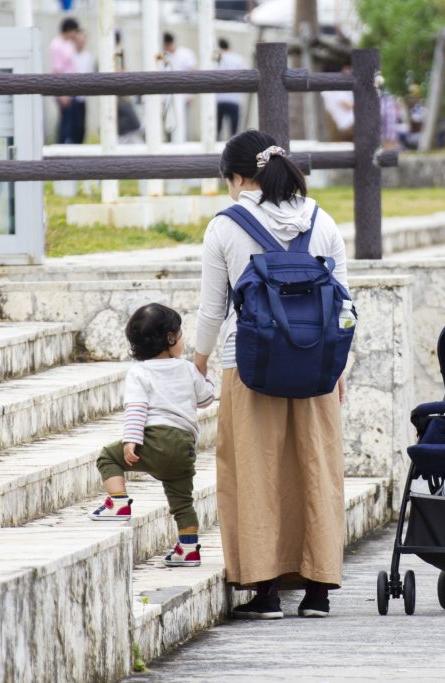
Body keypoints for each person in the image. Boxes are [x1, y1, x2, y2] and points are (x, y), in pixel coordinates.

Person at [194, 130, 349, 619]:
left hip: (249, 365)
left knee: (255, 472)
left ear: (238, 178)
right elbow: (345, 307)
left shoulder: (224, 226)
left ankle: (264, 591)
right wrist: (339, 368)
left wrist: (198, 362)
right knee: (315, 469)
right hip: (317, 366)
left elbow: (212, 310)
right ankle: (318, 588)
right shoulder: (322, 221)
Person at [88, 303, 215, 569]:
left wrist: (130, 440)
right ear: (170, 338)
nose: (181, 339)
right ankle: (189, 548)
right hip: (184, 447)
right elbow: (206, 399)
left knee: (107, 457)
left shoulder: (139, 372)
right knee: (182, 501)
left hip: (153, 440)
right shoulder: (187, 369)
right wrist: (204, 376)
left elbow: (137, 408)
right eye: (179, 334)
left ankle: (118, 502)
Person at [159, 32, 198, 143]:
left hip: (184, 97)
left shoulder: (185, 54)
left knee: (183, 124)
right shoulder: (163, 56)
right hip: (167, 98)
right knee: (169, 125)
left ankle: (184, 148)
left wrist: (191, 95)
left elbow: (193, 73)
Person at [50, 17, 80, 144]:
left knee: (70, 120)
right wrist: (62, 94)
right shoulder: (56, 45)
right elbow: (57, 69)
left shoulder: (68, 44)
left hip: (70, 85)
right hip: (62, 87)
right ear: (68, 30)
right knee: (65, 120)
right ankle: (62, 145)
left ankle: (68, 143)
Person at [214, 38, 247, 139]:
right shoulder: (238, 58)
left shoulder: (216, 59)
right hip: (234, 99)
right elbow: (245, 75)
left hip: (219, 99)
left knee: (217, 129)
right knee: (234, 131)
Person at [70, 29, 94, 145]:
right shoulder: (70, 55)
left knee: (81, 126)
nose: (81, 43)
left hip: (82, 96)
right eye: (79, 40)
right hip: (70, 96)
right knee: (70, 126)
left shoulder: (88, 56)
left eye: (83, 40)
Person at [321, 65, 354, 142]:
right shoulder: (336, 89)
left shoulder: (327, 90)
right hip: (346, 123)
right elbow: (348, 106)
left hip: (345, 124)